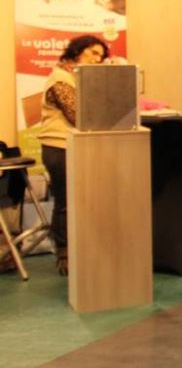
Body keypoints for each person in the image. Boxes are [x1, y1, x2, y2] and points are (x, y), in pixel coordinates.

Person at [37, 34, 109, 276]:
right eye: (93, 53)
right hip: (59, 147)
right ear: (77, 51)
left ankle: (80, 249)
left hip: (77, 146)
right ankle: (64, 253)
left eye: (101, 56)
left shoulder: (81, 78)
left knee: (77, 201)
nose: (97, 59)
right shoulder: (60, 78)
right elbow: (77, 114)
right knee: (66, 202)